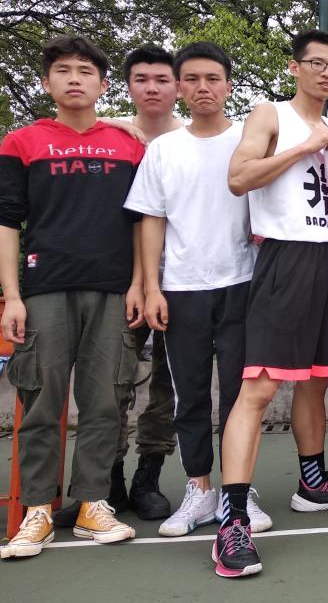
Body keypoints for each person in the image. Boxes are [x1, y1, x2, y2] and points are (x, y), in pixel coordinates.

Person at [213, 29, 328, 578]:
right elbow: (238, 178)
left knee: (314, 381)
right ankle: (231, 519)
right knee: (259, 386)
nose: (327, 72)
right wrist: (306, 147)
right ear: (294, 67)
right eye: (317, 63)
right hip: (285, 256)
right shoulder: (270, 115)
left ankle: (313, 482)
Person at [0, 35, 145, 559]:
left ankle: (92, 505)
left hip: (114, 289)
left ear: (103, 85)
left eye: (86, 71)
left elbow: (143, 220)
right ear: (47, 82)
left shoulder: (129, 145)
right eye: (63, 70)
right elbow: (7, 220)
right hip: (44, 288)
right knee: (41, 401)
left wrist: (139, 283)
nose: (75, 79)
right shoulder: (22, 142)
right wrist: (12, 296)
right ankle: (37, 510)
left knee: (105, 401)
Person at [123, 41, 272, 537]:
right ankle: (199, 489)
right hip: (181, 289)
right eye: (192, 79)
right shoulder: (164, 150)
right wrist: (151, 287)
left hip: (243, 285)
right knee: (188, 396)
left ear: (229, 85)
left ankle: (237, 492)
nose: (203, 87)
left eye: (212, 78)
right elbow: (151, 220)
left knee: (238, 396)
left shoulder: (251, 142)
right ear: (179, 87)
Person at [53, 45, 182, 527]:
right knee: (111, 387)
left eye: (162, 79)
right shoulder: (110, 135)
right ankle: (105, 484)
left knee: (168, 386)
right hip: (120, 283)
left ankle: (149, 478)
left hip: (182, 281)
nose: (152, 88)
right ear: (126, 86)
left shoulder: (194, 138)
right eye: (141, 79)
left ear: (177, 87)